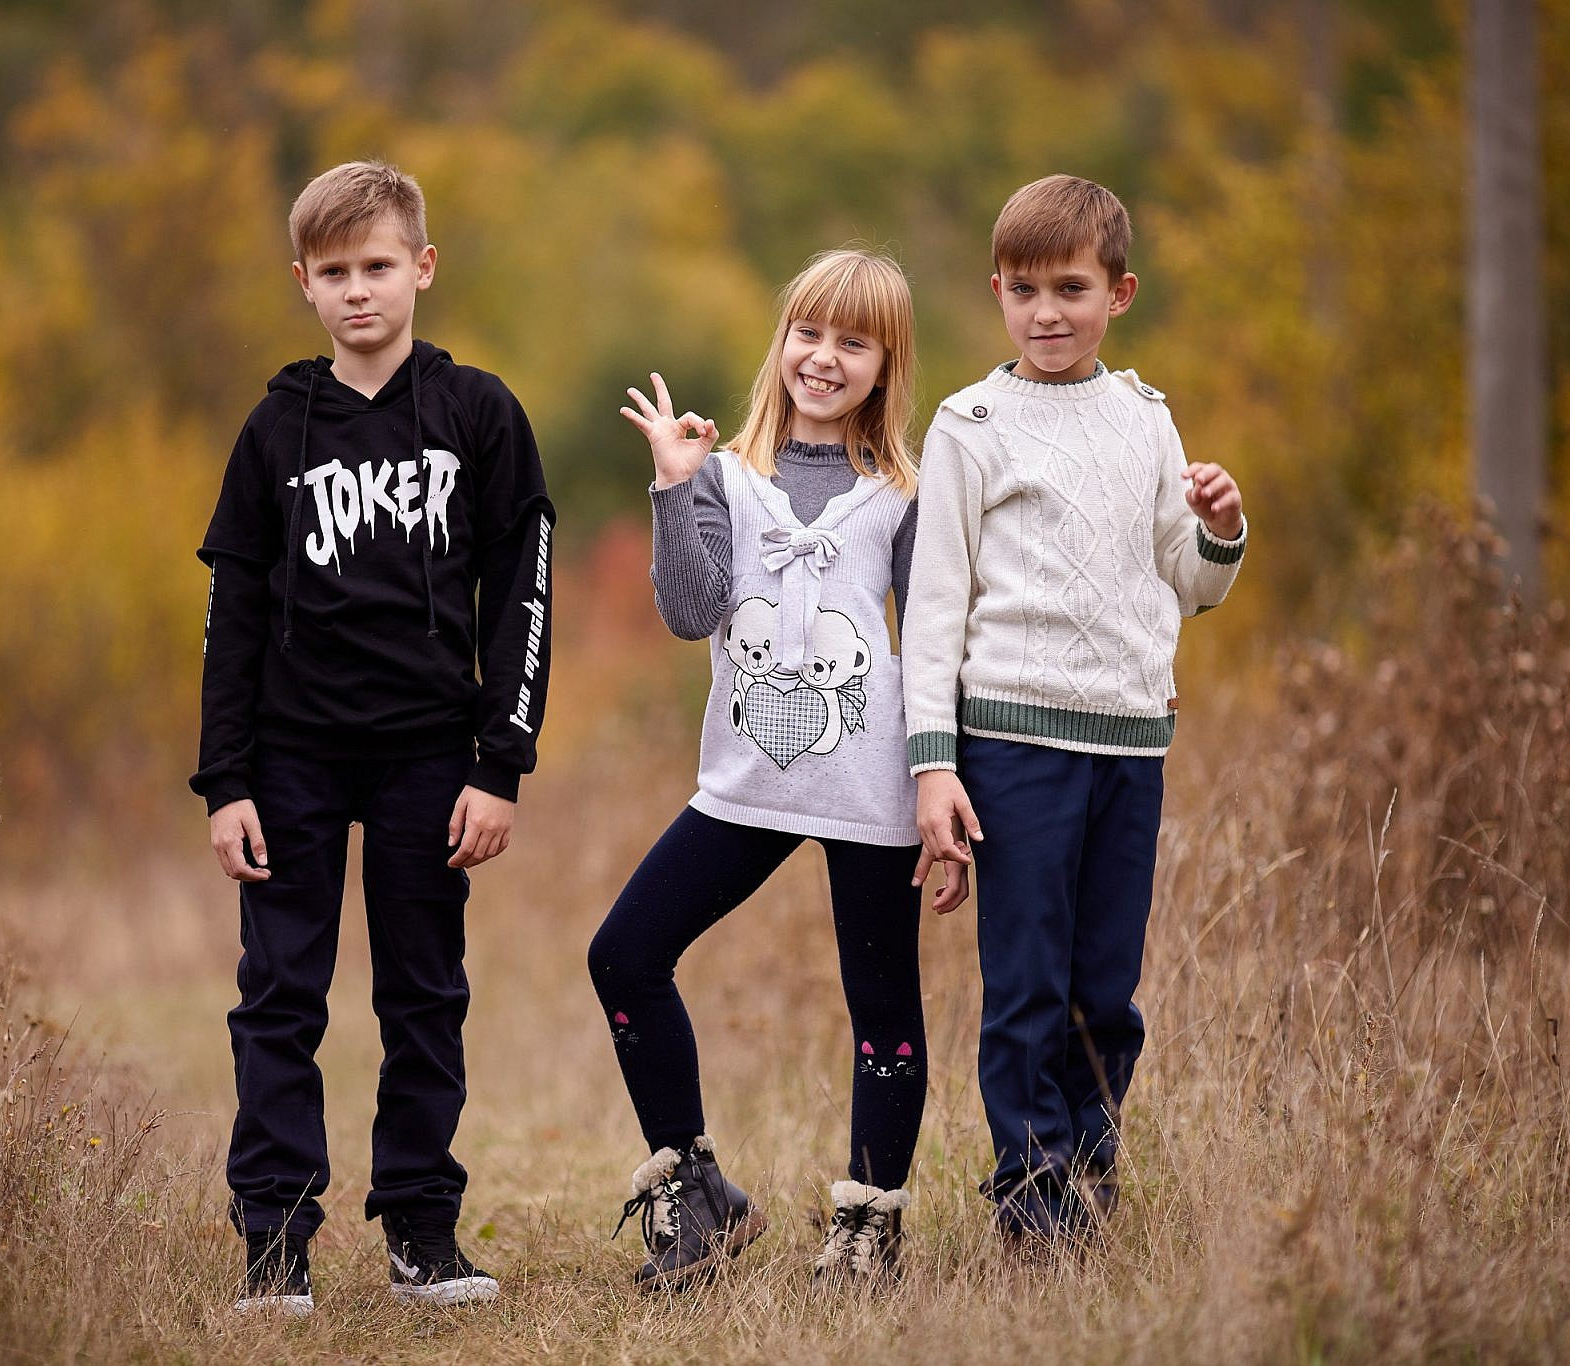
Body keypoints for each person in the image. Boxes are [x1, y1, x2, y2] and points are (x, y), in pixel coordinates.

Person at [190, 160, 554, 1314]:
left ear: (422, 270)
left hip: (430, 759)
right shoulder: (271, 430)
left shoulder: (478, 413)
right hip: (290, 757)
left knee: (422, 994)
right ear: (302, 282)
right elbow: (230, 613)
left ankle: (421, 1236)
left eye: (379, 267)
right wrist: (224, 780)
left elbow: (525, 596)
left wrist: (499, 763)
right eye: (335, 272)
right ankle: (273, 1248)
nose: (359, 290)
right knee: (279, 996)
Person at [587, 248, 967, 1293]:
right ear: (781, 341)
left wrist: (940, 782)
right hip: (747, 783)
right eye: (809, 332)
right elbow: (690, 611)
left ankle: (868, 1230)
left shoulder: (899, 494)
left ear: (886, 361)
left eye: (853, 341)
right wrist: (670, 481)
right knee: (623, 955)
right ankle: (696, 1195)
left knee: (881, 1008)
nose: (824, 356)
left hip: (869, 792)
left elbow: (930, 643)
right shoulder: (720, 476)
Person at [903, 174, 1247, 1249]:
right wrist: (933, 764)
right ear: (994, 291)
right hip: (1011, 744)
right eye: (1021, 289)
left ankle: (1090, 1171)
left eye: (1069, 287)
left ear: (1118, 292)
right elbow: (934, 605)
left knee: (1105, 986)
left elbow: (1182, 581)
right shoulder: (970, 425)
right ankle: (1031, 1193)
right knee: (1027, 983)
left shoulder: (1144, 418)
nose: (1044, 311)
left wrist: (1218, 532)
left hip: (1128, 743)